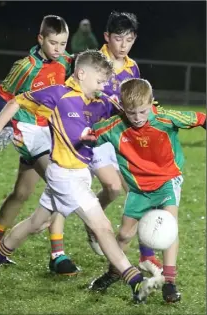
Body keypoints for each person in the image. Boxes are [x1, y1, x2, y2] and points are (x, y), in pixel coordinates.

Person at [0, 50, 164, 303]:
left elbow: (129, 114)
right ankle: (135, 282)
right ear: (82, 73)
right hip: (63, 176)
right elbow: (15, 102)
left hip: (80, 175)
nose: (102, 87)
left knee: (37, 223)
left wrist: (149, 111)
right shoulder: (59, 94)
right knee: (103, 227)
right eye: (99, 81)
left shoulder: (101, 101)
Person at [0, 14, 79, 275]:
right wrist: (6, 128)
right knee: (61, 185)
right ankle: (57, 254)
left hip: (51, 134)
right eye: (53, 43)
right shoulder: (25, 66)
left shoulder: (68, 63)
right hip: (28, 132)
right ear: (40, 39)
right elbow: (3, 95)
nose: (59, 49)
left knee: (22, 193)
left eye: (63, 43)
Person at [89, 78, 206, 302]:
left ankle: (169, 282)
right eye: (132, 113)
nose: (138, 118)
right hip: (138, 189)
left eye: (143, 111)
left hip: (166, 182)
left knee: (169, 228)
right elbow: (85, 136)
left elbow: (201, 118)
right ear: (123, 108)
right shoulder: (114, 126)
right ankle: (115, 271)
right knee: (123, 234)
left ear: (152, 103)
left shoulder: (165, 118)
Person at [87, 10, 162, 277]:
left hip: (122, 136)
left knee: (139, 190)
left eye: (129, 40)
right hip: (93, 136)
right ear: (107, 37)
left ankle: (147, 255)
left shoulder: (132, 67)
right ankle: (63, 245)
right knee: (112, 188)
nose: (123, 45)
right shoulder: (92, 63)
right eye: (119, 39)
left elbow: (137, 99)